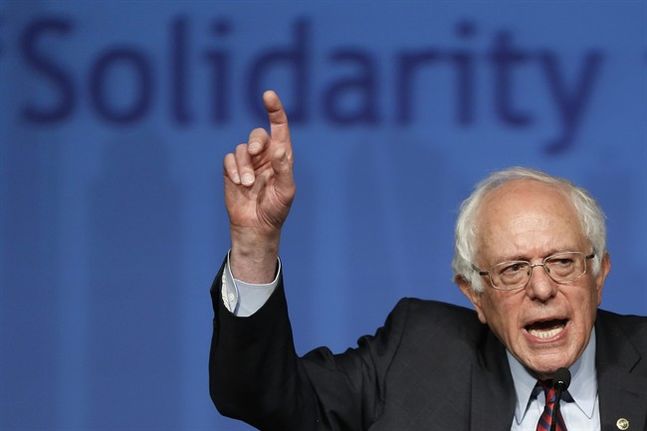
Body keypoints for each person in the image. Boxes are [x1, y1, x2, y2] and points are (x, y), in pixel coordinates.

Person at [210, 91, 647, 431]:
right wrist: (254, 243)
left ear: (599, 273)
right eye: (512, 269)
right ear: (473, 293)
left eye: (562, 262)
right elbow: (260, 395)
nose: (542, 288)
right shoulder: (417, 355)